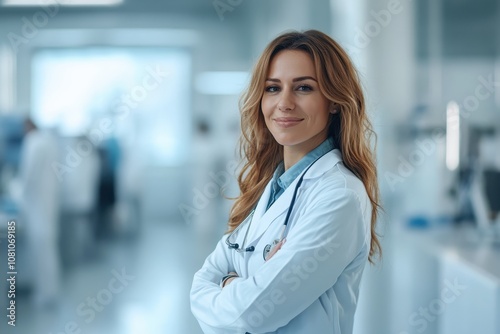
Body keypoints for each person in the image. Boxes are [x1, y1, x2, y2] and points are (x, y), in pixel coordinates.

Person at [190, 29, 381, 334]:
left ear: (333, 101)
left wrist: (228, 283)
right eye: (273, 88)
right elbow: (200, 285)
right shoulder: (271, 186)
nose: (285, 103)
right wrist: (240, 286)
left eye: (304, 88)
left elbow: (252, 315)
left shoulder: (339, 196)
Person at [18, 118, 61, 308]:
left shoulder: (33, 142)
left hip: (36, 204)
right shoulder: (48, 141)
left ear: (27, 126)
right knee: (47, 249)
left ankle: (44, 294)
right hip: (48, 203)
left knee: (40, 248)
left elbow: (28, 175)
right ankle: (48, 291)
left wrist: (16, 192)